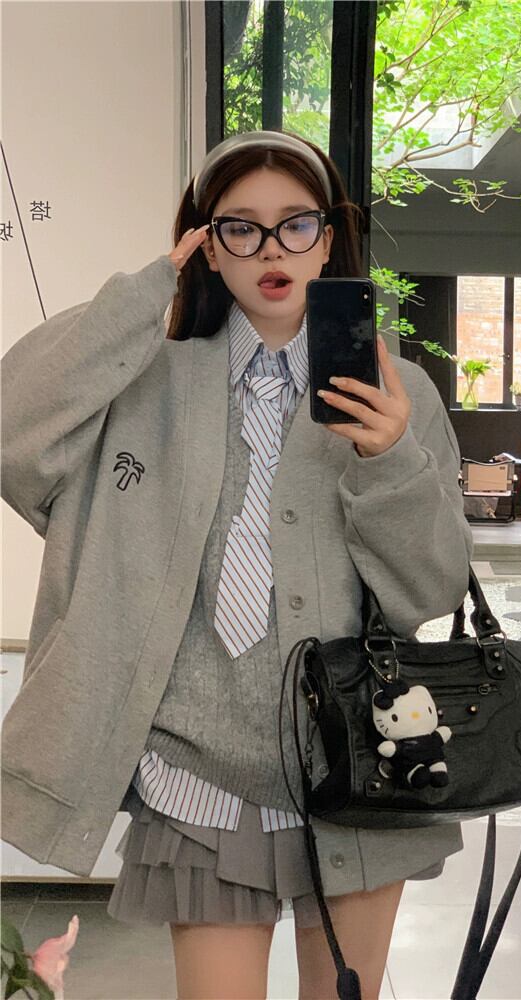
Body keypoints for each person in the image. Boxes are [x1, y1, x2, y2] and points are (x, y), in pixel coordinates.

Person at [1, 129, 474, 999]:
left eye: (296, 224)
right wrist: (146, 294)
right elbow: (13, 432)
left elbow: (429, 590)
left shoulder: (398, 392)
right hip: (196, 776)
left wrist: (389, 461)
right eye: (240, 228)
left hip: (357, 762)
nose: (271, 250)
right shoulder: (143, 385)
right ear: (207, 245)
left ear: (328, 239)